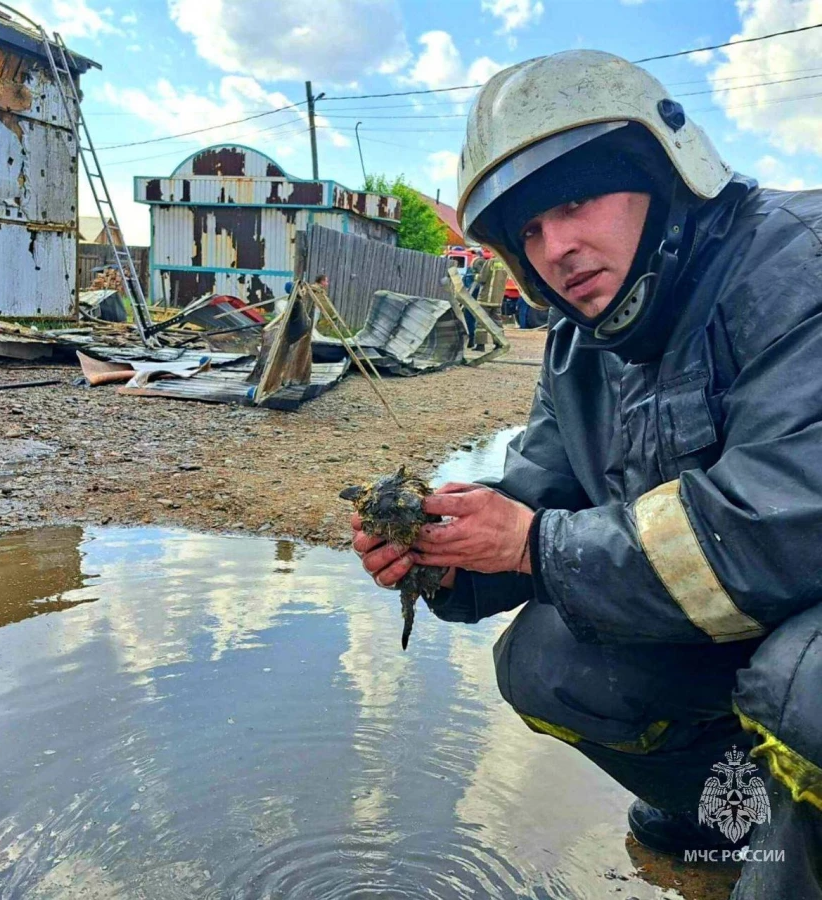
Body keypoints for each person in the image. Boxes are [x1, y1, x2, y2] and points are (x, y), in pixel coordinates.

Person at [351, 50, 822, 898]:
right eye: (529, 230)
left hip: (803, 624)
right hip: (742, 628)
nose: (557, 247)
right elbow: (539, 490)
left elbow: (782, 528)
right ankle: (740, 822)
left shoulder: (798, 265)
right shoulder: (582, 342)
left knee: (806, 689)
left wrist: (537, 547)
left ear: (667, 174)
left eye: (575, 201)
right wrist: (444, 554)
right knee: (544, 662)